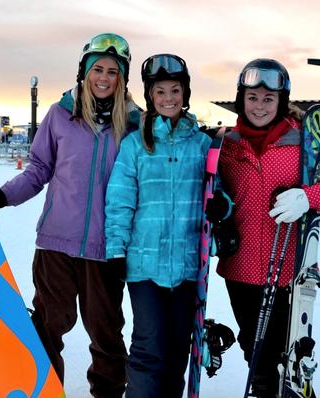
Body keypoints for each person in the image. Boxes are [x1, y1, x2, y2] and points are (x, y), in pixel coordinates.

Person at [0, 33, 139, 398]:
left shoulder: (134, 125)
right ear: (84, 72)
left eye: (113, 71)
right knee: (49, 325)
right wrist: (1, 197)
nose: (103, 77)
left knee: (106, 332)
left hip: (106, 249)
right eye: (97, 69)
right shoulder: (60, 115)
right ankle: (45, 390)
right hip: (56, 242)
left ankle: (108, 393)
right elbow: (38, 170)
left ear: (122, 78)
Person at [210, 59, 320, 397]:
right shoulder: (226, 145)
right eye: (252, 97)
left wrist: (308, 196)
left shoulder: (306, 141)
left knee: (288, 360)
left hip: (289, 271)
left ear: (281, 101)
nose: (259, 106)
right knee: (256, 354)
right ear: (240, 99)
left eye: (268, 98)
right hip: (241, 270)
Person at [104, 53, 211, 398]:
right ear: (150, 96)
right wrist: (116, 250)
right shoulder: (135, 143)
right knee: (149, 345)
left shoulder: (203, 145)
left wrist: (222, 208)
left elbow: (216, 195)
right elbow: (120, 200)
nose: (168, 98)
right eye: (160, 91)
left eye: (175, 90)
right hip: (144, 266)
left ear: (185, 94)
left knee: (178, 347)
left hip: (187, 265)